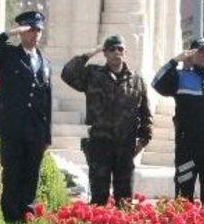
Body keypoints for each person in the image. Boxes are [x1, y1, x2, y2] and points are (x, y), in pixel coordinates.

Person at [61, 35, 153, 207]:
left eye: (120, 49)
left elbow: (145, 113)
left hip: (125, 145)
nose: (116, 53)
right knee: (99, 197)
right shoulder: (93, 74)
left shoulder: (137, 80)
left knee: (124, 199)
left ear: (124, 52)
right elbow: (67, 73)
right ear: (105, 53)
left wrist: (144, 140)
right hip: (100, 143)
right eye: (111, 49)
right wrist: (91, 52)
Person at [0, 11, 51, 223]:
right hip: (12, 128)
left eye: (38, 30)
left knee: (31, 176)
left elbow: (46, 100)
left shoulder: (45, 62)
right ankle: (11, 220)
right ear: (21, 31)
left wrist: (47, 136)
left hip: (35, 131)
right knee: (12, 175)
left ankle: (26, 218)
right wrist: (8, 33)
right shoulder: (9, 55)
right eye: (30, 29)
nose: (34, 34)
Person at [152, 38, 204, 203]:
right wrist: (175, 60)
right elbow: (156, 82)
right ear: (191, 55)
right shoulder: (180, 78)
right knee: (183, 199)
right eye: (200, 50)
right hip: (187, 148)